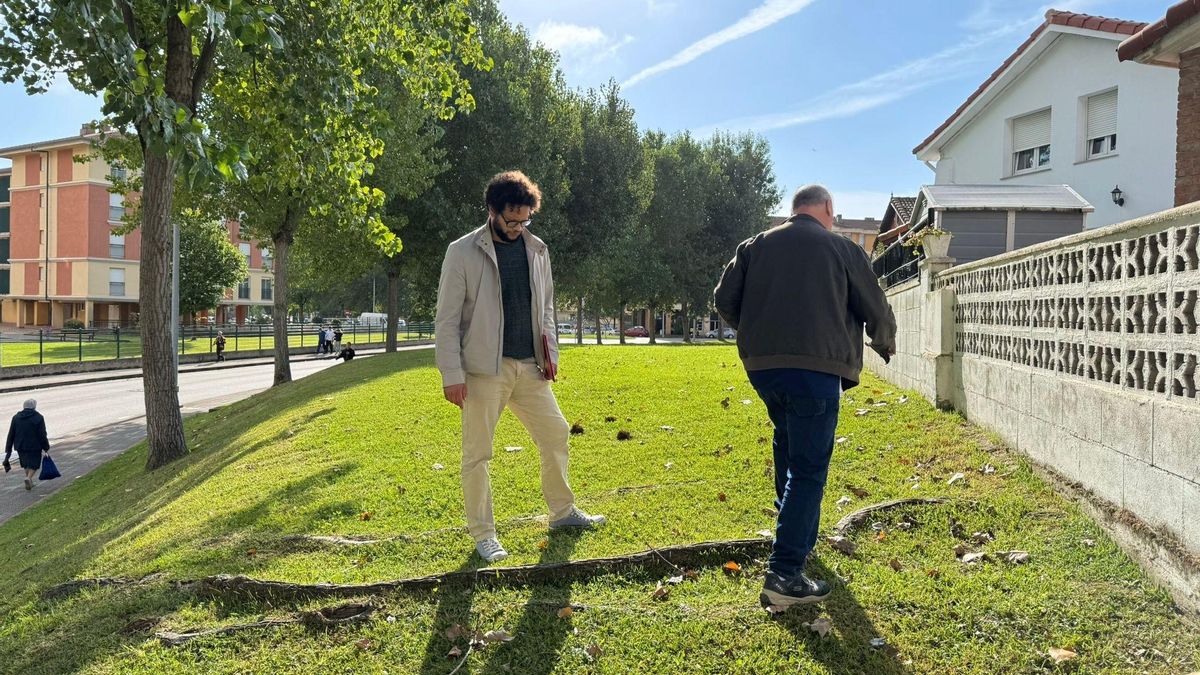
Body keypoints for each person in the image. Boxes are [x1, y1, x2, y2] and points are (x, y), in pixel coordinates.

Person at [714, 184, 897, 609]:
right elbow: (876, 306)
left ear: (794, 208)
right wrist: (884, 342)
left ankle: (793, 536)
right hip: (817, 367)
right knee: (809, 468)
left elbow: (724, 300)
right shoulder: (842, 249)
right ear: (828, 208)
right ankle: (785, 573)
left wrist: (756, 329)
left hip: (764, 367)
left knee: (788, 440)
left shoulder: (754, 246)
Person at [435, 170, 605, 564]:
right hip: (483, 371)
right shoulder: (462, 252)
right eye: (511, 220)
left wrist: (551, 355)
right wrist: (451, 374)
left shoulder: (538, 250)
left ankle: (562, 512)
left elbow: (546, 309)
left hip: (530, 366)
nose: (518, 228)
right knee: (478, 454)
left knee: (556, 433)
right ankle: (484, 534)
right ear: (492, 211)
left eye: (525, 220)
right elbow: (446, 320)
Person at [4, 399, 51, 492]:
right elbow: (42, 433)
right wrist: (46, 446)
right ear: (34, 406)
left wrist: (8, 447)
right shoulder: (38, 417)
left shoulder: (16, 417)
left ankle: (30, 481)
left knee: (26, 464)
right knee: (34, 464)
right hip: (34, 445)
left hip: (20, 445)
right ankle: (29, 478)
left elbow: (11, 433)